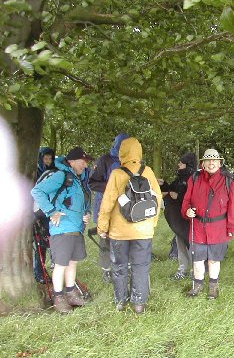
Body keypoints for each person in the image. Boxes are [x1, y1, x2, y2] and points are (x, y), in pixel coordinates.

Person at [97, 137, 161, 314]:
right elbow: (158, 198)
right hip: (144, 230)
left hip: (120, 231)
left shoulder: (117, 173)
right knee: (141, 266)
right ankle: (139, 303)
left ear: (121, 152)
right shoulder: (148, 171)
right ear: (139, 152)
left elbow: (107, 202)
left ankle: (121, 301)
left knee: (119, 266)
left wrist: (102, 227)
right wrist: (152, 224)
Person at [31, 147, 93, 314]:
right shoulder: (61, 175)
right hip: (62, 229)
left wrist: (86, 214)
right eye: (83, 162)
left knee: (73, 262)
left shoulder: (77, 179)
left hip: (76, 228)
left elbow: (78, 203)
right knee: (60, 265)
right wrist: (51, 212)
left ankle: (71, 293)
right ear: (72, 161)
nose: (85, 166)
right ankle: (58, 298)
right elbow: (37, 191)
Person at [181, 149, 234, 299]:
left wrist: (232, 227)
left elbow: (233, 206)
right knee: (198, 259)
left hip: (218, 228)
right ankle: (197, 285)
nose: (211, 163)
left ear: (220, 163)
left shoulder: (228, 181)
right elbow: (186, 200)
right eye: (208, 160)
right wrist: (187, 211)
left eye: (214, 160)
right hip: (198, 227)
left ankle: (213, 287)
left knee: (214, 260)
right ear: (203, 163)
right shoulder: (194, 178)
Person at [89, 133, 129, 283]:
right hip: (105, 206)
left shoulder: (130, 161)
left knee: (124, 239)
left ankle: (124, 268)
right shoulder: (105, 160)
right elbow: (92, 183)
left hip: (125, 208)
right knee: (105, 240)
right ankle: (106, 270)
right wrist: (112, 187)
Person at [160, 152, 197, 280]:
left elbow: (195, 198)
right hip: (177, 216)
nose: (178, 165)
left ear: (187, 164)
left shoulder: (194, 177)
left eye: (181, 163)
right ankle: (182, 269)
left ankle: (195, 270)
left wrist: (179, 196)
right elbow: (171, 189)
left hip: (190, 217)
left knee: (191, 243)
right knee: (179, 241)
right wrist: (163, 184)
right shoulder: (180, 178)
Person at [33, 147, 56, 284]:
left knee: (51, 241)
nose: (47, 161)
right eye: (45, 158)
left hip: (51, 213)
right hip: (38, 213)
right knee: (40, 243)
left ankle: (53, 268)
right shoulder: (35, 173)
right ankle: (39, 272)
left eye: (50, 158)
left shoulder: (54, 173)